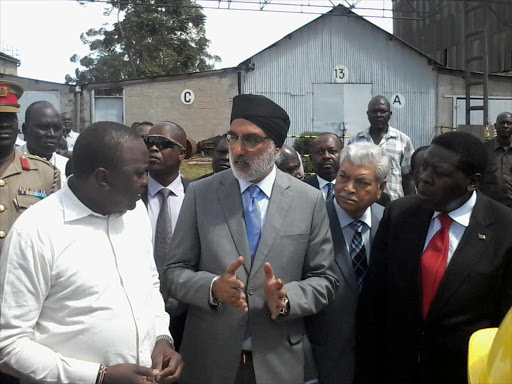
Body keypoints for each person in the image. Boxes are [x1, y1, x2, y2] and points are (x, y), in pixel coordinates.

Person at [164, 94, 338, 384]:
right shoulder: (201, 194)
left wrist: (286, 299)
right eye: (233, 137)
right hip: (209, 362)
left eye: (251, 140)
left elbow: (325, 280)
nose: (237, 149)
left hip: (278, 363)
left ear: (276, 148)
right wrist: (212, 288)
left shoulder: (308, 200)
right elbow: (173, 272)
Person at [0, 121, 184, 384]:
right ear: (103, 178)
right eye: (139, 173)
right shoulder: (36, 231)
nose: (146, 181)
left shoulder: (135, 214)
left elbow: (149, 285)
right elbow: (8, 345)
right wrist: (98, 377)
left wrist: (161, 339)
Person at [355, 132, 512, 384]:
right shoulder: (400, 215)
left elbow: (505, 323)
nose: (423, 179)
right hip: (397, 370)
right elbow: (374, 302)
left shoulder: (505, 230)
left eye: (438, 172)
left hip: (464, 373)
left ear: (472, 181)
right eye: (423, 167)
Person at [307, 142, 389, 384]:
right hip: (322, 363)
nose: (348, 188)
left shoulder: (391, 223)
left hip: (376, 363)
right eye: (343, 177)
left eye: (362, 182)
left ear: (380, 188)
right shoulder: (309, 222)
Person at [0, 80, 60, 384]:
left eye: (8, 118)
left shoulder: (45, 173)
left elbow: (56, 241)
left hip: (24, 306)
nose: (3, 126)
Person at [141, 121, 190, 351]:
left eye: (162, 144)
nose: (153, 148)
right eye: (149, 142)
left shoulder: (199, 195)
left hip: (189, 313)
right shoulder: (128, 196)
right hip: (141, 311)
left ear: (182, 153)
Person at [348, 95, 415, 200]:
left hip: (394, 204)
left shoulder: (403, 140)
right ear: (367, 114)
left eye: (383, 111)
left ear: (390, 114)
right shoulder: (356, 141)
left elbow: (408, 178)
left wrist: (410, 204)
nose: (378, 115)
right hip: (363, 203)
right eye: (374, 111)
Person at [20, 101, 68, 187]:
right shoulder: (9, 164)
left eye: (57, 128)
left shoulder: (68, 169)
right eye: (43, 127)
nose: (51, 134)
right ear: (25, 130)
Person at [480, 112, 512, 207]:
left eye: (509, 123)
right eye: (502, 123)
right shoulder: (484, 149)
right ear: (495, 126)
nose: (505, 126)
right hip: (490, 205)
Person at [303, 133, 343, 199]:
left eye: (332, 151)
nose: (326, 156)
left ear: (343, 155)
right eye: (319, 152)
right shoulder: (302, 188)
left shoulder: (353, 188)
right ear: (311, 158)